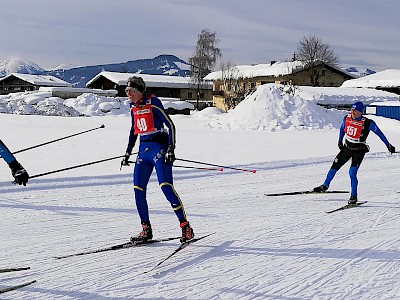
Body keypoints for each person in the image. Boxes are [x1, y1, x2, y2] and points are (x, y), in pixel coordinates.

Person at [121, 76, 194, 243]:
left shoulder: (153, 103)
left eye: (130, 91)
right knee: (138, 189)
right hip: (143, 150)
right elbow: (133, 130)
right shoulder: (133, 107)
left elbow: (170, 125)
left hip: (159, 148)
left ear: (139, 90)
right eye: (126, 91)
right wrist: (127, 153)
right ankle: (146, 229)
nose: (128, 94)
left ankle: (185, 226)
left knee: (165, 186)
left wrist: (171, 148)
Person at [313, 101, 395, 204]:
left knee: (352, 173)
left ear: (361, 112)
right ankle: (325, 185)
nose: (353, 112)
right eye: (352, 109)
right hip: (347, 148)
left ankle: (353, 197)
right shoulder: (347, 118)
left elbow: (380, 134)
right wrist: (339, 141)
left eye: (355, 110)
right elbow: (342, 128)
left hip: (359, 151)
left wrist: (388, 145)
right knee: (334, 166)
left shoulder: (368, 123)